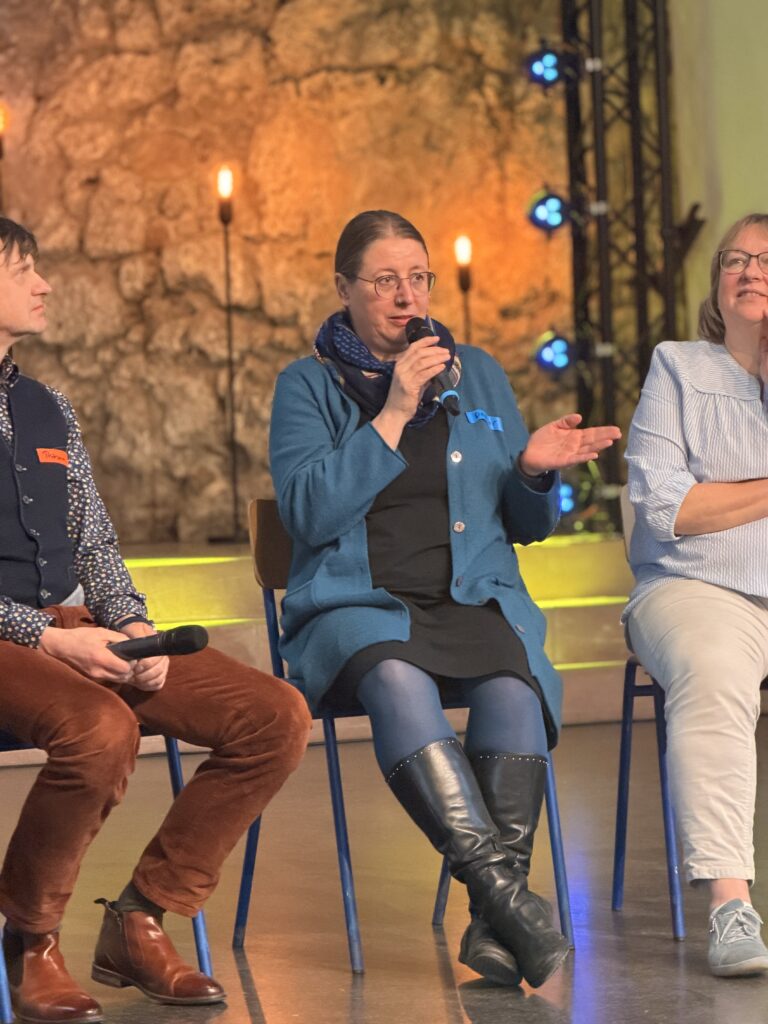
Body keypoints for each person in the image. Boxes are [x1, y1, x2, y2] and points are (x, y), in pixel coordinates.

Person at [269, 209, 620, 988]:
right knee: (396, 675)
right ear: (344, 288)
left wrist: (533, 471)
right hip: (357, 605)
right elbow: (308, 515)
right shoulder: (306, 384)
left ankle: (496, 928)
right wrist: (393, 411)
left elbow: (527, 526)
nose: (407, 296)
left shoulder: (480, 372)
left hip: (469, 599)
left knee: (513, 681)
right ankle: (507, 897)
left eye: (418, 277)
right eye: (385, 280)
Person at [0, 216, 312, 1024]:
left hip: (76, 626)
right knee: (103, 731)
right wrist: (48, 636)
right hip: (9, 637)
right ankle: (29, 939)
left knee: (274, 714)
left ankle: (142, 916)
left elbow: (94, 537)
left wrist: (132, 628)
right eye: (24, 268)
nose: (45, 283)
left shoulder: (47, 407)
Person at [624, 212, 768, 978]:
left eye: (766, 260)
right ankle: (730, 903)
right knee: (714, 669)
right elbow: (667, 510)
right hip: (694, 587)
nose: (748, 269)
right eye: (734, 260)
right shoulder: (677, 367)